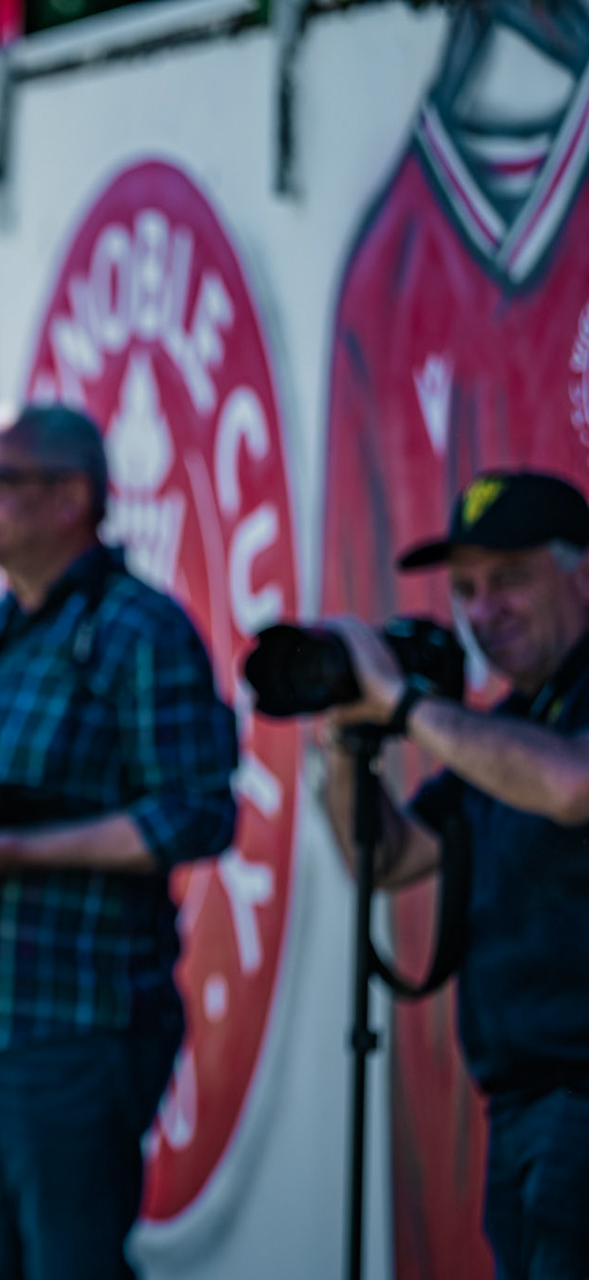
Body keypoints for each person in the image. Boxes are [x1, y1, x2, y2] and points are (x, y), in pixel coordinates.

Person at [0, 404, 238, 1280]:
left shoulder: (140, 630)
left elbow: (198, 814)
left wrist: (29, 850)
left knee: (72, 1265)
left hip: (78, 1024)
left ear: (70, 499)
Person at [319, 471, 589, 1280]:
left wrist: (405, 708)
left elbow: (571, 786)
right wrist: (345, 741)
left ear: (582, 572)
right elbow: (394, 858)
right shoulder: (505, 725)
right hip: (519, 1106)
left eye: (509, 580)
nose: (483, 611)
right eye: (466, 589)